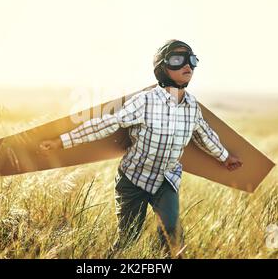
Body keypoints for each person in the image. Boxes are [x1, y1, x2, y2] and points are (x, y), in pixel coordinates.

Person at [39, 39, 243, 257]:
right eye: (178, 60)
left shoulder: (192, 106)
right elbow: (108, 123)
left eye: (191, 60)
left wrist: (224, 157)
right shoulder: (144, 101)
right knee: (128, 239)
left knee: (174, 240)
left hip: (167, 180)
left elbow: (204, 135)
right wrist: (63, 140)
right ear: (163, 68)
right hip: (133, 179)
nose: (187, 66)